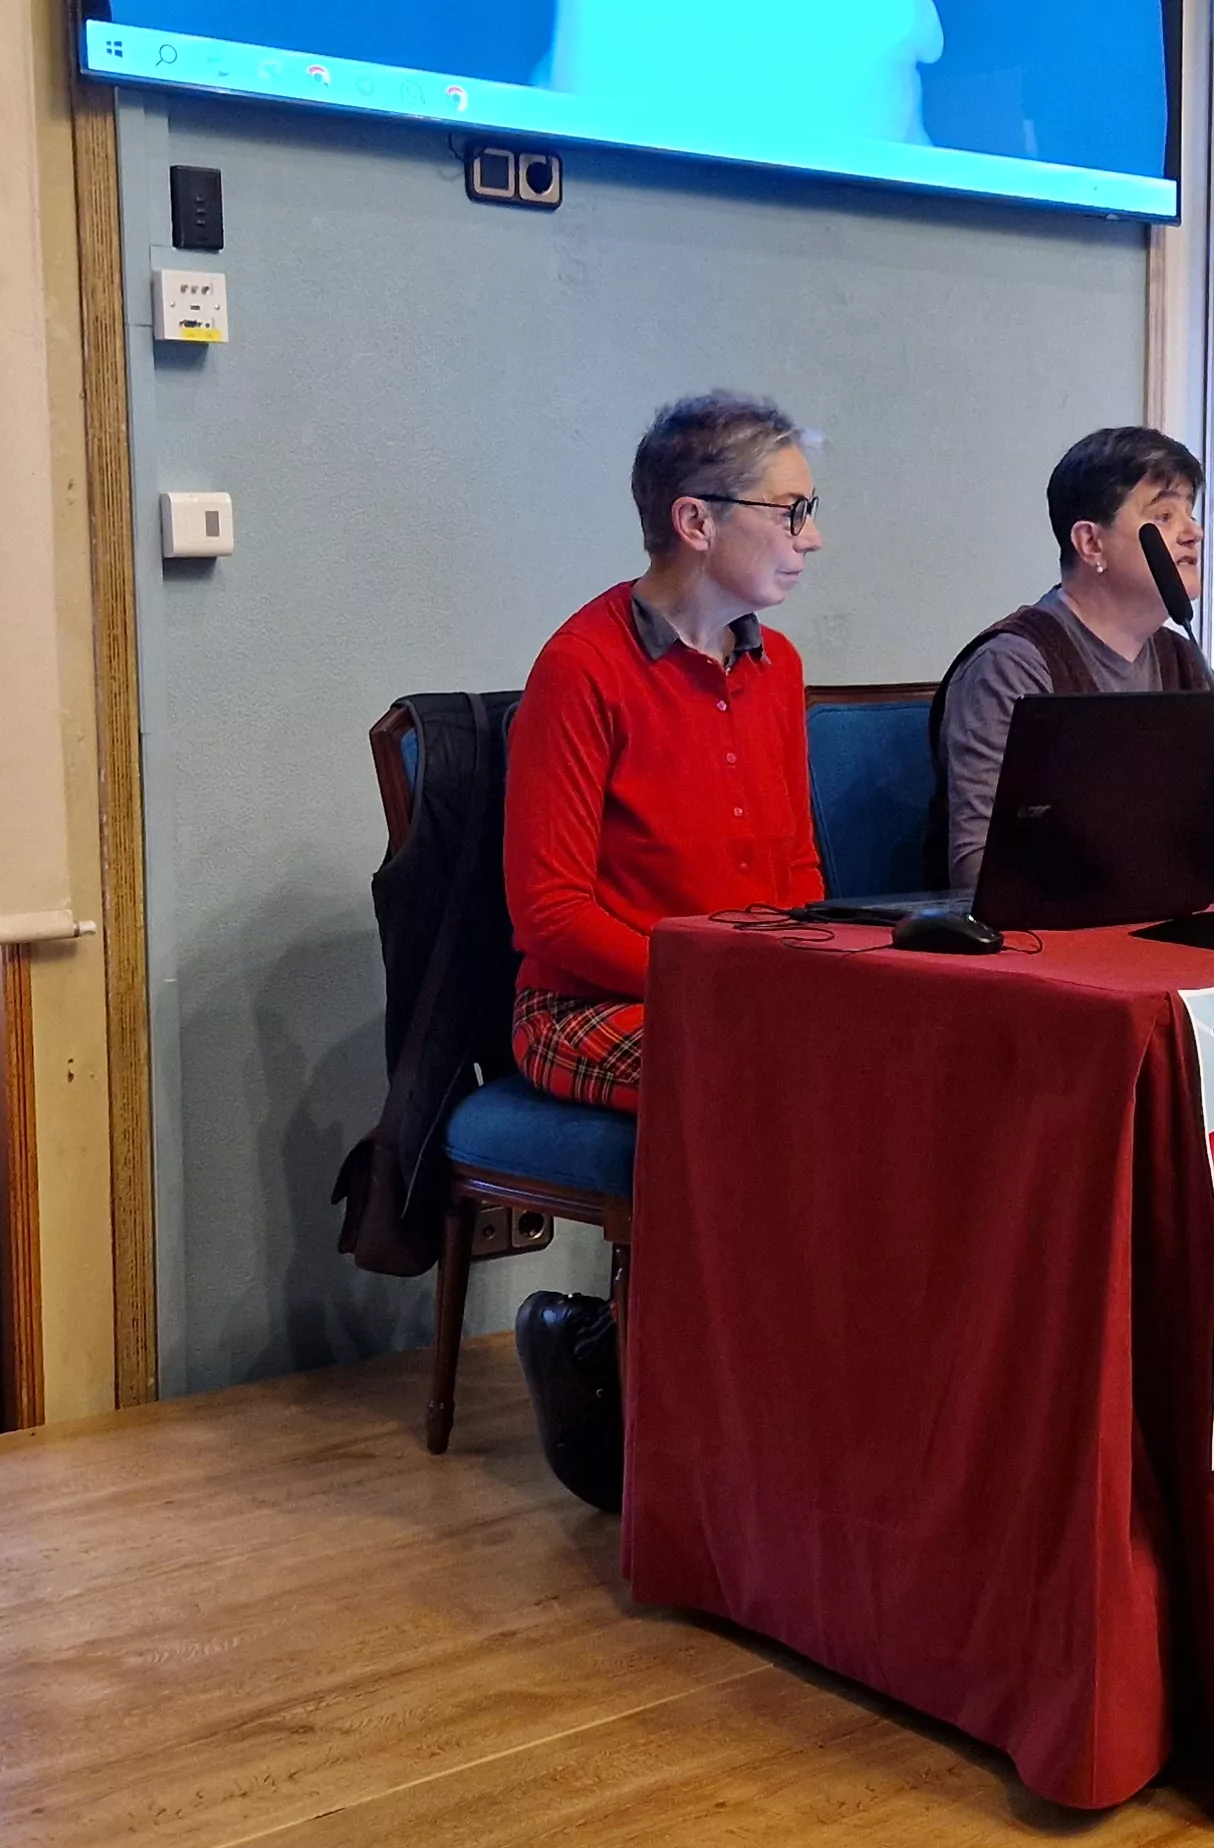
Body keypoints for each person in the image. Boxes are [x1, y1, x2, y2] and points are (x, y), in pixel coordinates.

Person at [503, 389, 829, 1513]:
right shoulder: (581, 669)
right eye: (790, 511)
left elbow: (799, 876)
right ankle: (618, 1371)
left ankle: (802, 1398)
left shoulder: (775, 667)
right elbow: (548, 914)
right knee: (751, 1087)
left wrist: (804, 979)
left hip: (735, 994)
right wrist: (718, 989)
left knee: (874, 1073)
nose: (811, 536)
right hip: (586, 1005)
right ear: (698, 522)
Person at [931, 426, 1214, 891]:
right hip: (1041, 950)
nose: (1194, 533)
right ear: (1091, 543)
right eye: (1163, 515)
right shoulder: (1013, 665)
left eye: (1190, 513)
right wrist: (1165, 851)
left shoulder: (1183, 660)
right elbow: (978, 867)